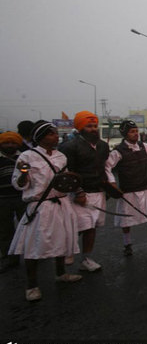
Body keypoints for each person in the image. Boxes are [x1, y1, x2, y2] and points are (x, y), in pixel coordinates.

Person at [9, 121, 81, 301]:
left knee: (62, 239)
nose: (56, 136)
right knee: (35, 246)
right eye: (51, 134)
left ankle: (61, 273)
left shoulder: (61, 157)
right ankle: (32, 285)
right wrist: (24, 173)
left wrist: (75, 186)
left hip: (62, 203)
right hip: (41, 206)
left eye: (56, 133)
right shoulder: (27, 157)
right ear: (40, 138)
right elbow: (20, 185)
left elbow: (65, 180)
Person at [105, 120, 147, 256]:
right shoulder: (118, 152)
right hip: (128, 192)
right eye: (132, 132)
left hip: (145, 188)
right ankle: (127, 245)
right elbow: (107, 166)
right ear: (125, 134)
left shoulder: (143, 146)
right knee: (126, 220)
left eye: (136, 131)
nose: (135, 134)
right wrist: (112, 183)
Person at [58, 111, 109, 272]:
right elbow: (67, 172)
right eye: (89, 126)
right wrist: (78, 192)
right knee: (76, 227)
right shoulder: (69, 147)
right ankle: (64, 254)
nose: (93, 129)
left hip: (98, 193)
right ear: (80, 128)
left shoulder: (103, 146)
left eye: (95, 126)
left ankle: (86, 258)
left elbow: (104, 168)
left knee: (91, 227)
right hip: (78, 195)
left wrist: (109, 187)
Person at [0, 132, 26, 272]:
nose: (10, 145)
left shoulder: (24, 157)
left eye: (13, 143)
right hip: (3, 199)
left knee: (27, 228)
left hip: (21, 197)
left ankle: (32, 256)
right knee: (5, 230)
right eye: (6, 143)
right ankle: (9, 258)